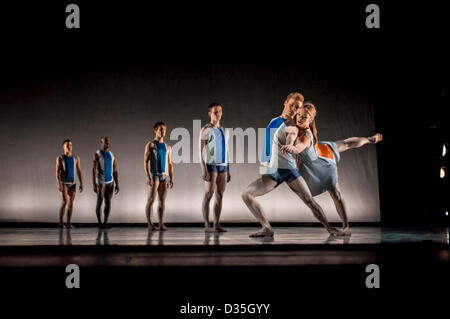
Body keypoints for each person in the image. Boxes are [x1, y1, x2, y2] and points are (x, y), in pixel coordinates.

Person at [242, 92, 343, 237]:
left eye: (297, 108)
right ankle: (266, 228)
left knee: (309, 201)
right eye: (292, 106)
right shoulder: (274, 120)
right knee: (247, 195)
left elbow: (291, 136)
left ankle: (329, 228)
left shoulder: (292, 126)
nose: (294, 110)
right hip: (272, 171)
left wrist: (290, 145)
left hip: (288, 170)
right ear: (285, 103)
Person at [280, 102, 383, 236]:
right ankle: (370, 139)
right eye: (298, 115)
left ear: (311, 120)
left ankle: (346, 226)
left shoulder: (305, 135)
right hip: (315, 156)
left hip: (322, 165)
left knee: (336, 195)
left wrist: (294, 148)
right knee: (345, 143)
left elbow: (301, 145)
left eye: (304, 117)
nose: (299, 118)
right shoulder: (295, 128)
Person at [199, 102, 231, 232]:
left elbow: (226, 150)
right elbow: (200, 150)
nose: (218, 114)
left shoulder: (224, 130)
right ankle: (207, 224)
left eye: (220, 111)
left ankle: (216, 224)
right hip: (211, 165)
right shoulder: (206, 129)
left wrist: (229, 168)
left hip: (223, 165)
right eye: (215, 112)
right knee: (208, 194)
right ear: (210, 113)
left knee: (220, 194)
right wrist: (203, 169)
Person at [144, 122, 174, 230]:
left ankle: (161, 224)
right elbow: (145, 162)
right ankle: (150, 224)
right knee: (151, 200)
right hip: (154, 175)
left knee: (162, 201)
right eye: (161, 129)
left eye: (164, 129)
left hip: (164, 176)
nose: (163, 131)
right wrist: (148, 176)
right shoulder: (150, 145)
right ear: (155, 130)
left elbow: (170, 163)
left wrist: (172, 178)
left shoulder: (168, 147)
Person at [93, 136, 120, 229]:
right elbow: (94, 170)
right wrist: (94, 183)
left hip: (110, 181)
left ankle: (105, 223)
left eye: (108, 142)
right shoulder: (97, 154)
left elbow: (115, 170)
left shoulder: (113, 155)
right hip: (101, 180)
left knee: (108, 202)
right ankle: (100, 223)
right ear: (101, 142)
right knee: (100, 200)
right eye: (105, 142)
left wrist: (117, 184)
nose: (107, 144)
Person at [56, 139, 83, 229]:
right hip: (64, 183)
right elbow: (57, 172)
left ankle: (68, 223)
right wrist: (59, 184)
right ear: (63, 146)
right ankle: (60, 223)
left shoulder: (76, 158)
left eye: (70, 145)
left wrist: (81, 183)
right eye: (67, 145)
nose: (69, 147)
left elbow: (79, 171)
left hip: (73, 183)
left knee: (71, 203)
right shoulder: (60, 158)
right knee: (64, 202)